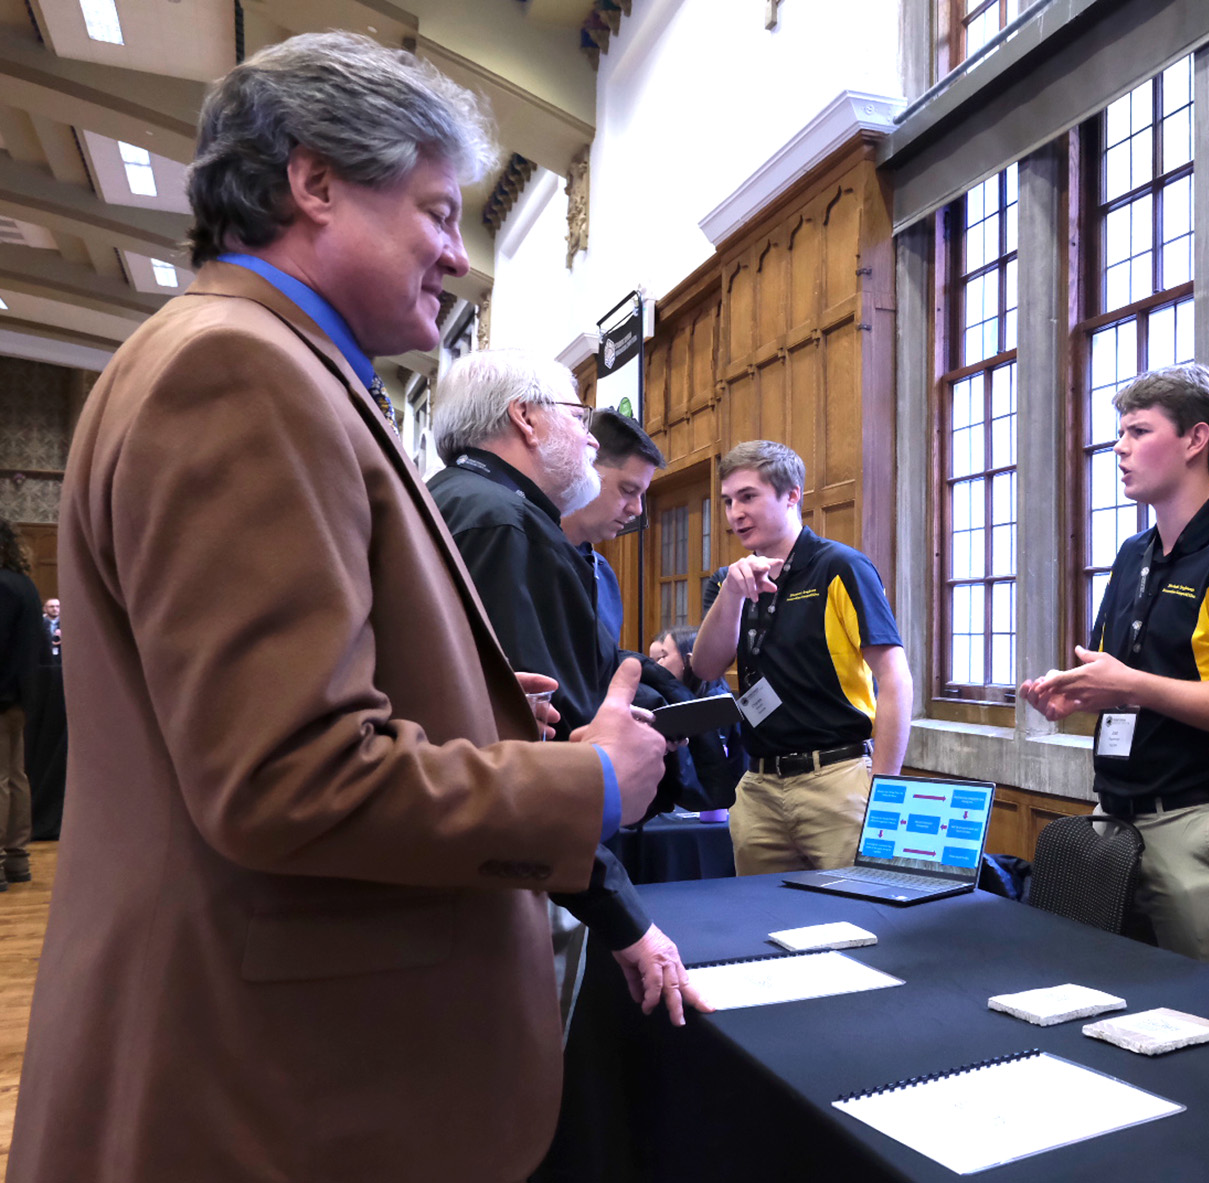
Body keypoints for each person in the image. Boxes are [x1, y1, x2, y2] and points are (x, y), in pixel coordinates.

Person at [9, 33, 668, 1183]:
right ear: (314, 182)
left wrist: (455, 692)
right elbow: (285, 778)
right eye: (438, 211)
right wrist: (592, 779)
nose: (458, 258)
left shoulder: (256, 359)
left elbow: (225, 716)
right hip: (283, 1091)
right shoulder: (240, 372)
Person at [425, 349, 707, 1025]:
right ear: (524, 418)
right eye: (577, 416)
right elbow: (528, 744)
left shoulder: (458, 500)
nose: (588, 437)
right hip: (509, 873)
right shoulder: (503, 521)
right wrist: (623, 914)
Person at [1019, 364, 1209, 980]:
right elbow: (1118, 675)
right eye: (1120, 433)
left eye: (1138, 431)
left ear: (1196, 440)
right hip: (1112, 820)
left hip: (1203, 827)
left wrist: (1131, 686)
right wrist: (1074, 694)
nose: (1118, 447)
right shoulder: (1131, 555)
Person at [691, 440, 912, 874]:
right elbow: (705, 667)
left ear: (792, 495)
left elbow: (895, 677)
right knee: (764, 927)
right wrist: (733, 594)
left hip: (837, 778)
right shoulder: (727, 582)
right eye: (728, 501)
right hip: (757, 785)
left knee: (857, 921)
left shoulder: (840, 567)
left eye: (748, 496)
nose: (735, 513)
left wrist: (884, 791)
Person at [562, 409, 664, 645]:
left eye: (641, 495)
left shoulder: (604, 573)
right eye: (628, 491)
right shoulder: (522, 550)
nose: (637, 509)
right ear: (585, 469)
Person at [650, 624, 746, 811]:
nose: (656, 666)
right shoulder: (666, 700)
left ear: (688, 661)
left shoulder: (717, 707)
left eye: (663, 657)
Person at [0, 520, 45, 890]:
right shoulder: (26, 584)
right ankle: (16, 859)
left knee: (1, 780)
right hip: (21, 697)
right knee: (15, 778)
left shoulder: (1, 586)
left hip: (1, 695)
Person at [41, 597, 60, 661]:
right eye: (51, 607)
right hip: (44, 657)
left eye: (58, 606)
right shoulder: (39, 622)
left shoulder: (67, 622)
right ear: (45, 609)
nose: (55, 609)